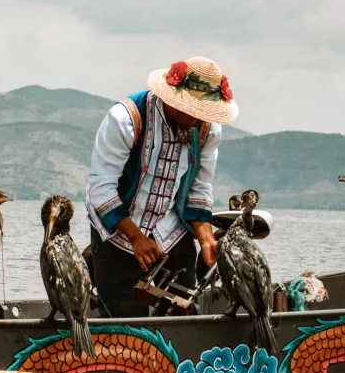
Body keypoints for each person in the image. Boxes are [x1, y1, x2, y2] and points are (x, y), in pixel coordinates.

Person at [85, 56, 238, 317]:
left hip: (170, 229)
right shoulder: (126, 119)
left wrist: (206, 236)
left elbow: (199, 186)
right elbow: (100, 188)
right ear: (175, 101)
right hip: (120, 232)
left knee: (185, 313)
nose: (201, 121)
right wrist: (135, 237)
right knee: (126, 326)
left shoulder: (207, 130)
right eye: (196, 114)